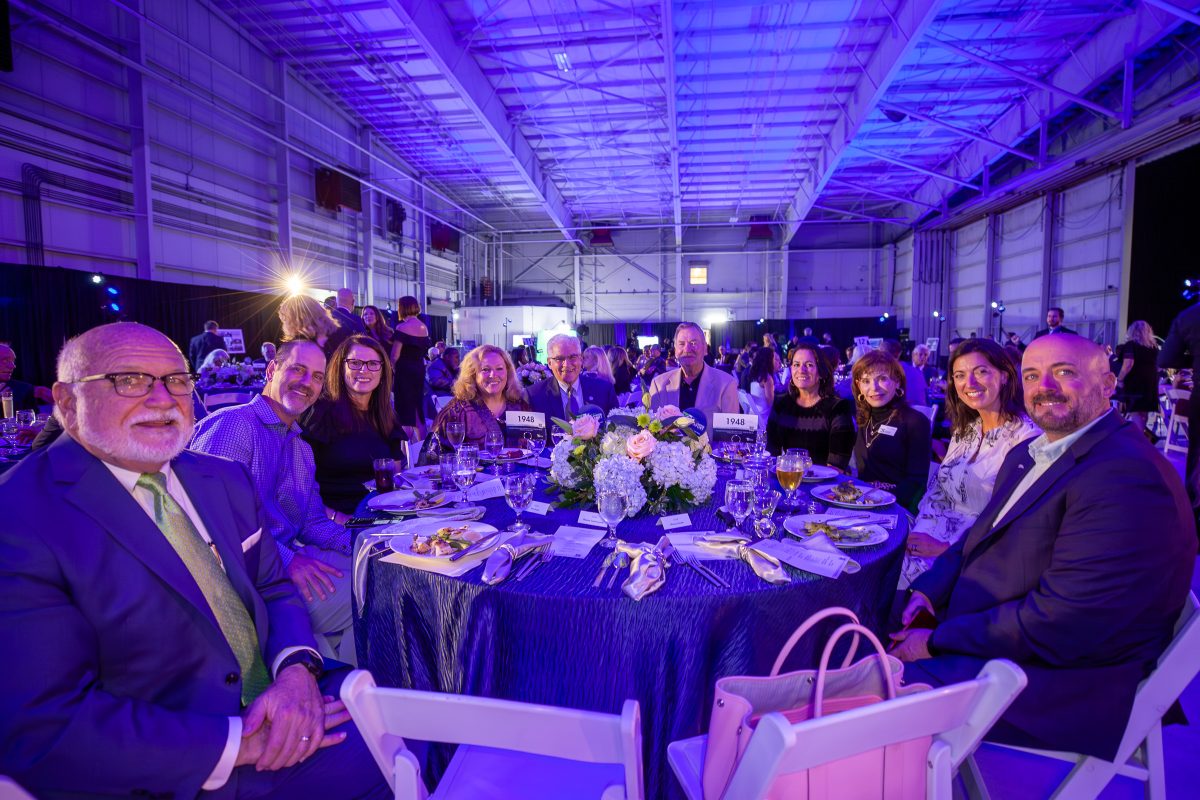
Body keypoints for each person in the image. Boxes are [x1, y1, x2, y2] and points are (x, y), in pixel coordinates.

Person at [0, 322, 385, 799]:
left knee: (413, 728)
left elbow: (273, 587)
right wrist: (237, 743)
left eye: (177, 380)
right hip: (176, 764)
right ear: (67, 400)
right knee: (407, 750)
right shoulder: (19, 514)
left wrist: (296, 671)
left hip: (281, 699)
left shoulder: (220, 478)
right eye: (129, 380)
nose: (162, 399)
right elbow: (42, 722)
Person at [890, 334, 1194, 761]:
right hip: (991, 625)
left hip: (1056, 680)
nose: (1044, 386)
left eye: (1064, 372)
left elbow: (1061, 621)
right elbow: (979, 535)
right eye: (1033, 375)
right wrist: (928, 591)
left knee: (868, 694)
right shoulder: (1034, 452)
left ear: (1108, 384)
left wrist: (936, 640)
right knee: (861, 616)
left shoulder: (1125, 475)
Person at [191, 339, 355, 665]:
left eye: (317, 377)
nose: (307, 382)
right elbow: (210, 521)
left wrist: (363, 543)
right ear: (271, 370)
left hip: (285, 564)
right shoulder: (235, 425)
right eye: (298, 369)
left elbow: (313, 523)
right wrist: (286, 560)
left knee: (374, 571)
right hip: (242, 583)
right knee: (373, 593)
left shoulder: (301, 449)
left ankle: (331, 676)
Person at [899, 339, 1040, 588]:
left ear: (1005, 375)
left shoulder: (1027, 440)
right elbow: (938, 491)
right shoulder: (967, 430)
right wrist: (917, 530)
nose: (970, 383)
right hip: (926, 534)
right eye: (960, 375)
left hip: (971, 559)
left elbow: (1017, 527)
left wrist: (945, 549)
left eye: (981, 371)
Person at [302, 335, 408, 520]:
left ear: (382, 371)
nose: (364, 370)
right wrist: (336, 517)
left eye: (373, 364)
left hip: (382, 514)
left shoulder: (385, 415)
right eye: (355, 363)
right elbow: (299, 486)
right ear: (340, 367)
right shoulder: (320, 413)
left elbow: (395, 473)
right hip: (338, 519)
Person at [851, 350, 932, 513]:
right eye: (866, 381)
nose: (874, 388)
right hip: (860, 503)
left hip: (895, 507)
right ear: (859, 386)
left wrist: (877, 502)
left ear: (897, 382)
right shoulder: (863, 418)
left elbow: (916, 482)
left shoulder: (915, 422)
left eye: (882, 379)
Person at [766, 344, 855, 470]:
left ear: (821, 371)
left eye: (809, 365)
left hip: (826, 480)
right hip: (790, 477)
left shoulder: (838, 407)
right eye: (796, 364)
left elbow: (837, 465)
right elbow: (771, 453)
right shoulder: (781, 403)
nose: (801, 370)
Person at [430, 344, 529, 452]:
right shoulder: (455, 412)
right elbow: (433, 456)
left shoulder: (520, 406)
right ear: (472, 374)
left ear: (508, 373)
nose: (493, 375)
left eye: (499, 368)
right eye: (485, 369)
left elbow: (535, 448)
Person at [649, 322, 739, 418]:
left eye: (693, 343)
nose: (687, 349)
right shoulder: (658, 385)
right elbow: (653, 425)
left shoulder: (726, 384)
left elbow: (731, 427)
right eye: (681, 344)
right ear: (675, 351)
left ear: (705, 349)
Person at [527, 334, 618, 421]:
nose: (567, 364)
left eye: (573, 357)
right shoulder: (535, 395)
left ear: (581, 360)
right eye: (559, 358)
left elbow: (616, 427)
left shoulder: (604, 390)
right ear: (550, 363)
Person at [389, 296, 431, 435]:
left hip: (404, 371)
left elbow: (395, 355)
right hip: (418, 370)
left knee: (404, 411)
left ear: (402, 308)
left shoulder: (401, 327)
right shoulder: (424, 328)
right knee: (417, 408)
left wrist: (392, 369)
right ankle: (422, 444)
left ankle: (404, 445)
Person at [1115, 320, 1160, 435]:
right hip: (1150, 383)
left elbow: (1128, 364)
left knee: (1136, 412)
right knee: (1144, 414)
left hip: (1135, 383)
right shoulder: (1153, 347)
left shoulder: (1131, 345)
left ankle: (1139, 440)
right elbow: (1159, 366)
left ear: (1132, 331)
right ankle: (1141, 438)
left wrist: (1119, 379)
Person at [0, 342, 47, 411]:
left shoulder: (25, 390)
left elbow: (32, 416)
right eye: (5, 360)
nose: (13, 366)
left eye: (13, 361)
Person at [880, 339, 927, 406]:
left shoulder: (881, 374)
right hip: (921, 411)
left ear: (880, 353)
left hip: (900, 411)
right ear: (900, 353)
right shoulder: (918, 372)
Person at [744, 346, 778, 416]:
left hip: (754, 412)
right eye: (774, 358)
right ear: (769, 360)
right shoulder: (767, 378)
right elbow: (770, 403)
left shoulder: (755, 373)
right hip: (764, 414)